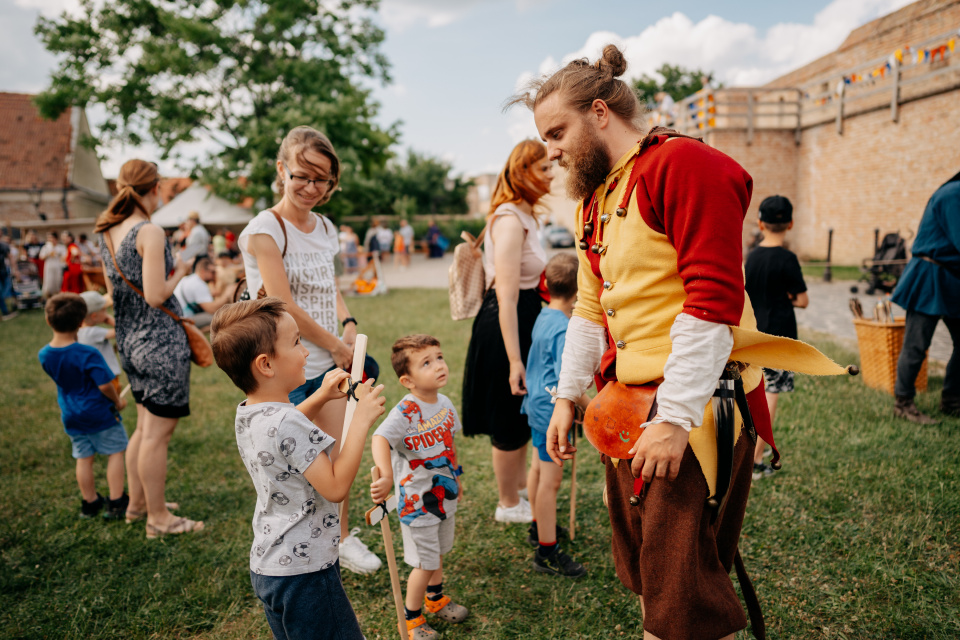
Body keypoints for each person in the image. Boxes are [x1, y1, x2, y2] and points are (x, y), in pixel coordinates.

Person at [512, 45, 847, 640]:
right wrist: (566, 397)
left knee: (682, 588)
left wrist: (673, 418)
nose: (553, 151)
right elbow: (590, 310)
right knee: (654, 573)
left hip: (689, 412)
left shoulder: (683, 166)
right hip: (627, 409)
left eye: (557, 133)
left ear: (598, 112)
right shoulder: (596, 198)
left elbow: (711, 302)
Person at [238, 125, 381, 574]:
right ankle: (294, 547)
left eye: (323, 180)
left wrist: (347, 320)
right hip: (285, 367)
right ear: (282, 169)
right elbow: (283, 304)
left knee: (335, 454)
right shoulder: (265, 229)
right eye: (302, 175)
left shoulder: (325, 226)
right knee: (297, 467)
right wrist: (338, 346)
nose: (311, 188)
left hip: (328, 358)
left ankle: (338, 539)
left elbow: (327, 285)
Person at [209, 297, 386, 640]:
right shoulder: (288, 421)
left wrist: (319, 397)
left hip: (270, 566)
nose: (306, 352)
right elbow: (335, 488)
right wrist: (360, 421)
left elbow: (281, 435)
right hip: (307, 574)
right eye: (296, 342)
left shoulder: (249, 412)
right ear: (266, 364)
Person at [97, 159, 203, 538]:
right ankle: (159, 519)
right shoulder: (150, 231)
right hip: (159, 342)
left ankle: (139, 505)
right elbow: (158, 294)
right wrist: (183, 270)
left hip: (129, 340)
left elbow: (113, 294)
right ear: (154, 187)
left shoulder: (108, 230)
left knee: (144, 427)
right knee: (157, 434)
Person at [462, 139, 553, 524]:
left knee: (519, 412)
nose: (552, 173)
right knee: (507, 411)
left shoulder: (528, 214)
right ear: (523, 173)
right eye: (544, 168)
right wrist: (516, 359)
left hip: (526, 315)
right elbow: (508, 296)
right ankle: (507, 503)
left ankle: (517, 492)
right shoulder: (510, 219)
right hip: (505, 322)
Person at [371, 335, 469, 640]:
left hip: (444, 496)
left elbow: (449, 446)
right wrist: (386, 474)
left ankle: (435, 598)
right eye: (426, 363)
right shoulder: (406, 411)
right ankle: (411, 619)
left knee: (438, 554)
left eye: (439, 357)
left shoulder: (445, 403)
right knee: (424, 563)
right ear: (407, 380)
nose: (439, 365)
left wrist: (457, 477)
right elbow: (380, 438)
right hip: (416, 503)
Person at [521, 253, 587, 577]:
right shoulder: (565, 328)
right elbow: (568, 382)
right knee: (551, 481)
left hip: (535, 405)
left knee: (537, 469)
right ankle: (546, 551)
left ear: (545, 284)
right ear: (581, 288)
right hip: (550, 413)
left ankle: (538, 525)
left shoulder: (543, 314)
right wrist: (592, 408)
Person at [38, 293, 129, 519]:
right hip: (99, 412)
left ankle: (90, 503)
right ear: (81, 321)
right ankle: (116, 502)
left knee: (83, 458)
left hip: (70, 414)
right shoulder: (88, 353)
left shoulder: (45, 354)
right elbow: (104, 386)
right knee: (115, 453)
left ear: (48, 321)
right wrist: (117, 401)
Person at [744, 195, 808, 479]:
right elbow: (803, 301)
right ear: (790, 224)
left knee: (753, 391)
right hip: (780, 337)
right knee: (771, 394)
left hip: (753, 333)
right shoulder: (788, 259)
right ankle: (756, 461)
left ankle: (751, 448)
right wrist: (787, 297)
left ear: (760, 223)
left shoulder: (752, 256)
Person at [891, 170, 960, 422]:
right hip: (929, 276)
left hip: (952, 278)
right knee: (916, 345)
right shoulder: (953, 193)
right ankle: (903, 403)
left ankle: (952, 400)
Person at [173, 256, 234, 329]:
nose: (214, 275)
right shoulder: (198, 284)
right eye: (212, 272)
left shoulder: (190, 279)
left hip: (178, 318)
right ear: (202, 271)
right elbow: (212, 309)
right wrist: (227, 295)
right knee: (216, 317)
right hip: (184, 320)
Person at [78, 291, 122, 387]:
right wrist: (109, 320)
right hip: (108, 375)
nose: (106, 313)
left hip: (96, 376)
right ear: (94, 316)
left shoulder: (79, 331)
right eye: (104, 310)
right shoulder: (93, 332)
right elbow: (120, 330)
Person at [39, 231, 66, 299]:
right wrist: (48, 254)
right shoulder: (46, 247)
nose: (50, 239)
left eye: (52, 238)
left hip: (58, 266)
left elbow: (65, 257)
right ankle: (48, 299)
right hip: (49, 266)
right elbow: (41, 257)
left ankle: (57, 298)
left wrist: (59, 255)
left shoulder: (61, 247)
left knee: (58, 282)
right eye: (49, 238)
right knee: (49, 283)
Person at [0, 234, 17, 319]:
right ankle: (5, 311)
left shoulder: (4, 245)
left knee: (5, 292)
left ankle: (7, 310)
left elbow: (11, 258)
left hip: (3, 272)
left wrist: (15, 270)